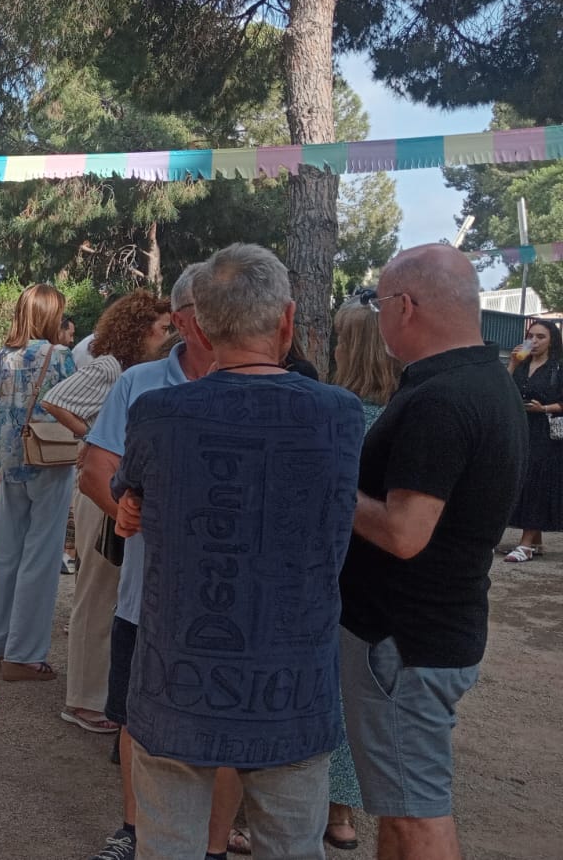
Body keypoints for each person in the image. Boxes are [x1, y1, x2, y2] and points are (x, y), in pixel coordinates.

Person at [110, 244, 364, 860]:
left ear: (197, 327)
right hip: (293, 684)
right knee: (293, 847)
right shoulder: (339, 413)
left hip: (177, 681)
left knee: (166, 846)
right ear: (287, 320)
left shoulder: (158, 412)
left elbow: (129, 491)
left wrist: (131, 504)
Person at [341, 244, 526, 860]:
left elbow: (404, 532)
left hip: (404, 642)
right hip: (430, 631)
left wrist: (331, 484)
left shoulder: (442, 400)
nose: (378, 318)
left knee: (417, 814)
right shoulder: (487, 382)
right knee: (401, 809)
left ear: (406, 306)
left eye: (378, 304)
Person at [79, 264, 244, 860]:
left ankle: (213, 845)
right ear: (182, 320)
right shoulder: (140, 383)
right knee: (137, 717)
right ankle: (134, 831)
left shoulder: (255, 380)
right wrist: (123, 508)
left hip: (229, 595)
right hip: (146, 591)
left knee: (224, 722)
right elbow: (97, 467)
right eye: (209, 308)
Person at [42, 291, 173, 736]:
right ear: (140, 329)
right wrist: (93, 434)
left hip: (111, 484)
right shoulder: (112, 368)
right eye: (162, 328)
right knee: (96, 592)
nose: (168, 336)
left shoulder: (136, 371)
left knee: (106, 591)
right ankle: (83, 699)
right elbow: (55, 399)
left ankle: (94, 695)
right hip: (101, 487)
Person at [323, 295, 404, 851]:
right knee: (360, 692)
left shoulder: (335, 411)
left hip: (332, 566)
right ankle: (342, 811)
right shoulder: (405, 413)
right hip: (382, 572)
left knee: (325, 686)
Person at [0, 284, 74, 682]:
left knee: (4, 555)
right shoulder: (61, 356)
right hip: (48, 459)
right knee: (41, 558)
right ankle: (23, 655)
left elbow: (1, 407)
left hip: (9, 462)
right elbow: (74, 406)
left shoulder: (5, 355)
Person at [502, 317, 563, 562]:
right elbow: (502, 390)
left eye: (540, 337)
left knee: (537, 482)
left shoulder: (557, 369)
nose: (534, 341)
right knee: (520, 480)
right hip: (520, 429)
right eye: (530, 336)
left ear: (551, 341)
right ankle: (534, 541)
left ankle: (526, 544)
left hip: (545, 433)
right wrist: (512, 364)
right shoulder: (521, 365)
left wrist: (544, 408)